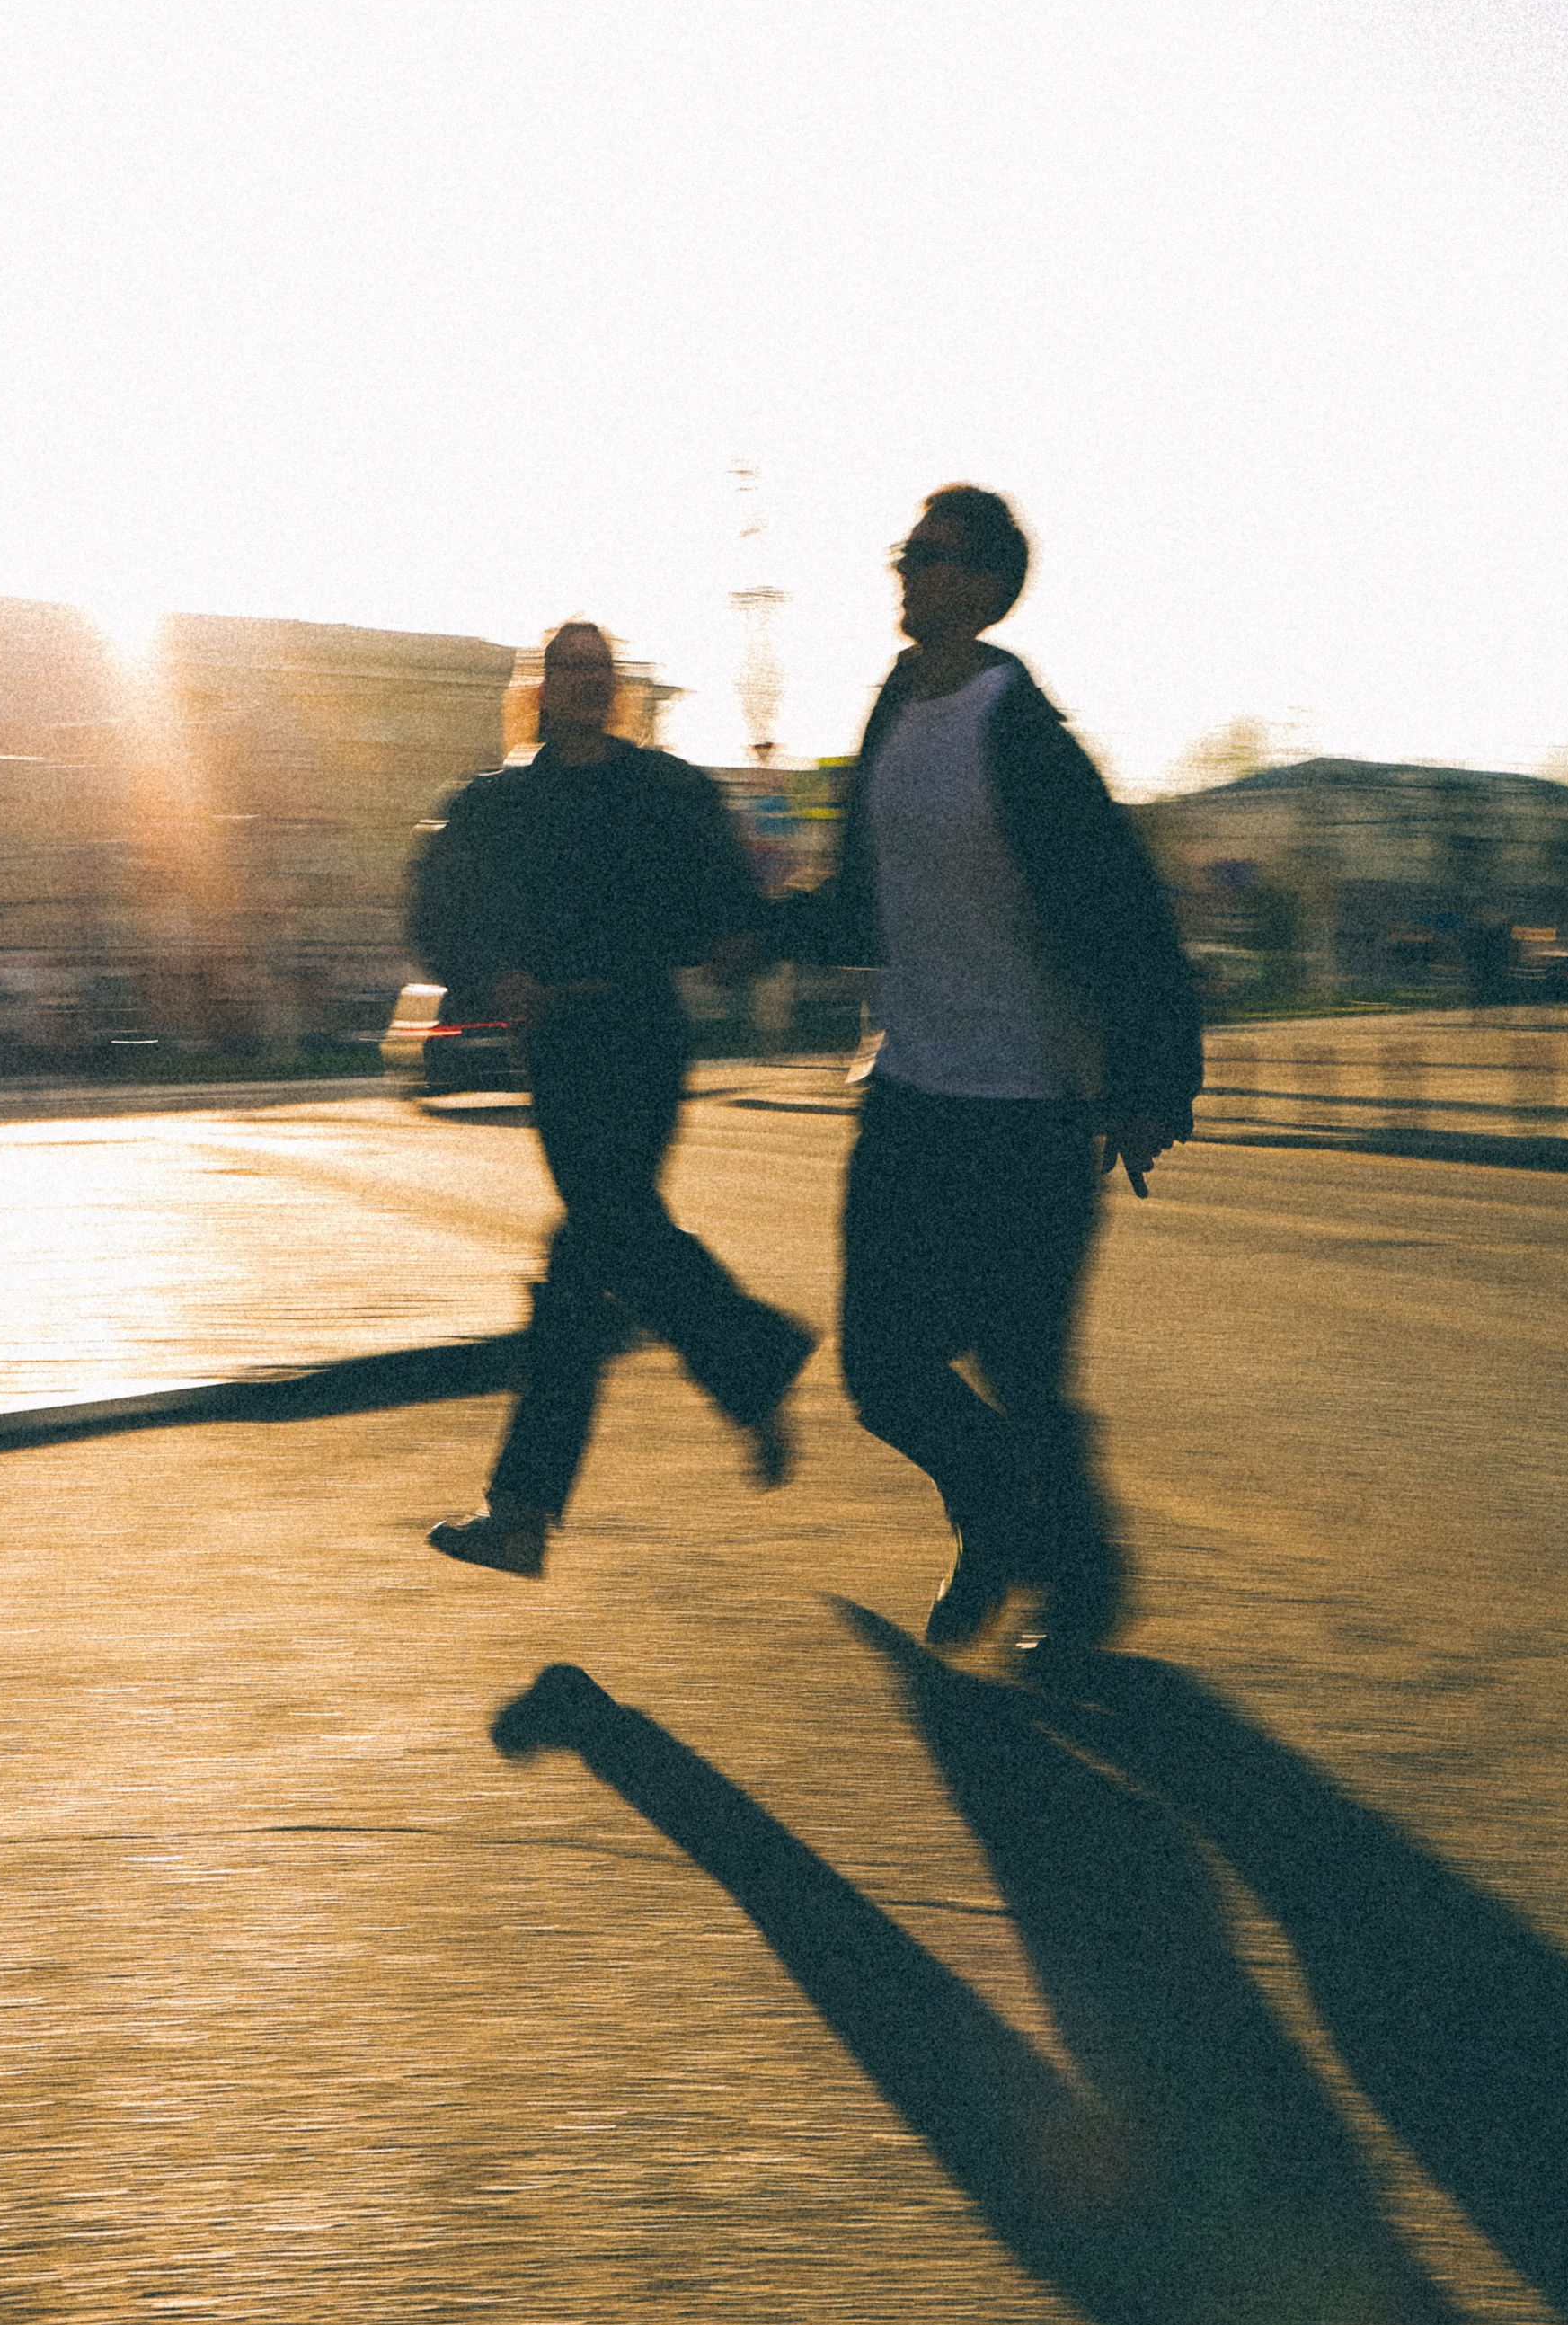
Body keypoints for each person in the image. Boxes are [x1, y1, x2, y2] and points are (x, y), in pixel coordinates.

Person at [781, 489, 1201, 1664]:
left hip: (1027, 1100)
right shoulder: (890, 708)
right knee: (880, 1364)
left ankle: (1081, 1590)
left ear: (986, 581)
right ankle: (1002, 1518)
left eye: (930, 555)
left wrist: (1150, 1078)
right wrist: (766, 929)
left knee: (1024, 1369)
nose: (905, 570)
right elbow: (863, 896)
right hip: (912, 1086)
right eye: (904, 551)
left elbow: (1122, 910)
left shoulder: (1022, 729)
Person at [411, 618, 816, 1575]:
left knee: (589, 1239)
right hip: (555, 1046)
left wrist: (736, 941)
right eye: (565, 668)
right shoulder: (498, 804)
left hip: (641, 1037)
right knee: (602, 1241)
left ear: (616, 685)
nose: (584, 683)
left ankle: (520, 1510)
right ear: (539, 686)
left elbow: (727, 898)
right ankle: (750, 1360)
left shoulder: (665, 790)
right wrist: (490, 975)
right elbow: (436, 915)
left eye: (598, 668)